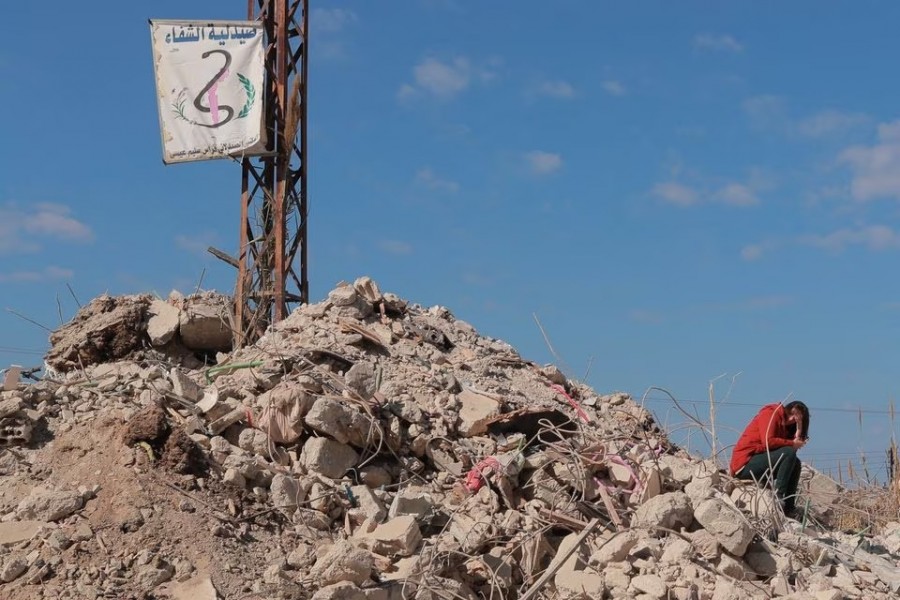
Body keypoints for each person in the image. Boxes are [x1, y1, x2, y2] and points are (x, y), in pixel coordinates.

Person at [730, 401, 810, 517]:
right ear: (786, 410)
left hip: (759, 462)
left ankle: (789, 507)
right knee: (788, 452)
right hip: (744, 464)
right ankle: (778, 497)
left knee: (796, 463)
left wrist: (798, 430)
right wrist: (792, 443)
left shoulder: (785, 427)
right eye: (791, 414)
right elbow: (768, 441)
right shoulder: (771, 413)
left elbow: (791, 457)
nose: (792, 419)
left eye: (796, 419)